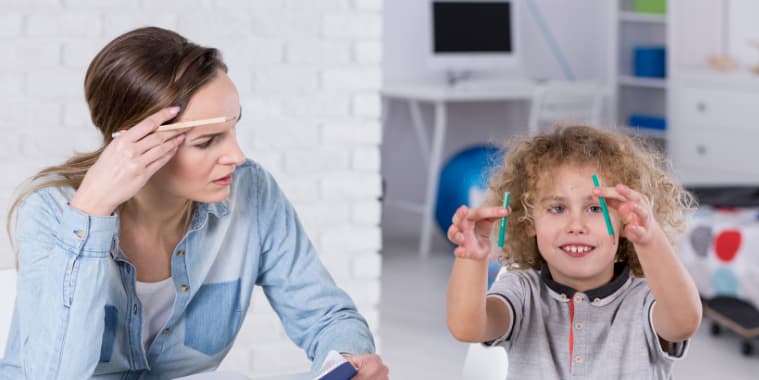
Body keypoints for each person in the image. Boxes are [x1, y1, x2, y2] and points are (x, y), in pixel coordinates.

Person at [0, 27, 388, 380]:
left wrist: (351, 359)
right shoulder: (51, 210)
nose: (236, 155)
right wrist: (92, 211)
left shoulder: (251, 191)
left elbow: (325, 315)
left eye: (234, 128)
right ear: (135, 145)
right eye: (206, 141)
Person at [445, 125, 702, 379]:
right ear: (528, 223)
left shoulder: (645, 299)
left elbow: (684, 322)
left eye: (594, 209)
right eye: (557, 208)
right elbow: (467, 328)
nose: (576, 226)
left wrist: (650, 239)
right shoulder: (523, 292)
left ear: (625, 221)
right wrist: (472, 259)